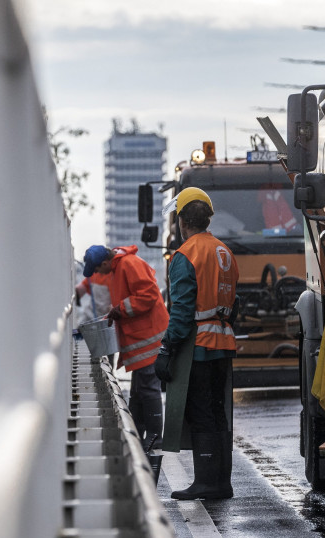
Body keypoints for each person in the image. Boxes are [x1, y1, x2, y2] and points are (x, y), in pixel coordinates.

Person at [154, 187, 239, 500]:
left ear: (181, 221)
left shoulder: (185, 255)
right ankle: (221, 481)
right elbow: (234, 301)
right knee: (218, 413)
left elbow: (181, 310)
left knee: (200, 412)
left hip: (198, 347)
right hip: (223, 345)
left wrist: (167, 349)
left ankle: (206, 482)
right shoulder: (223, 252)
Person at [79, 244, 169, 456]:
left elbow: (148, 296)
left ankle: (155, 437)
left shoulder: (128, 264)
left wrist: (121, 309)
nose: (98, 275)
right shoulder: (121, 266)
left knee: (147, 388)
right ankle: (138, 433)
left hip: (149, 337)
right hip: (143, 336)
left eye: (98, 270)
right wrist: (118, 311)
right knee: (139, 390)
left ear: (104, 263)